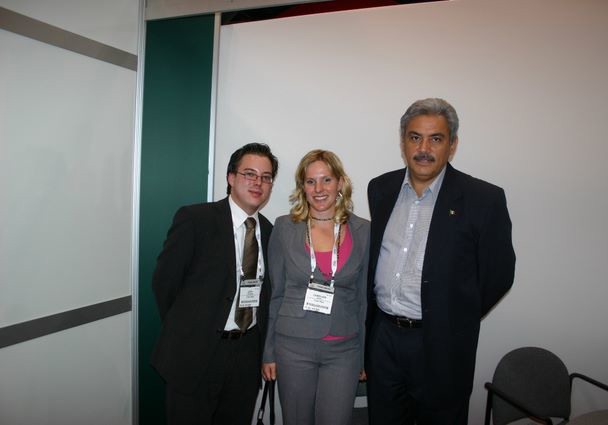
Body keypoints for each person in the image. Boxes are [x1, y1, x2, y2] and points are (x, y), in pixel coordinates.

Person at [366, 98, 516, 425]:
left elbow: (499, 275)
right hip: (384, 339)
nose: (424, 148)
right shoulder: (381, 188)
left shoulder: (483, 199)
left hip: (441, 345)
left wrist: (453, 315)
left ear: (452, 145)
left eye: (436, 138)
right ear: (403, 142)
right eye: (415, 137)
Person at [151, 142, 279, 425]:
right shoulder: (195, 219)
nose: (258, 182)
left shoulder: (271, 232)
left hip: (246, 356)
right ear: (231, 177)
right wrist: (188, 331)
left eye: (266, 177)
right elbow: (164, 283)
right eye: (249, 174)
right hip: (194, 355)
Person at [262, 149, 370, 425]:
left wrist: (363, 356)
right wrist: (269, 351)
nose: (319, 189)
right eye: (311, 181)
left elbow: (363, 299)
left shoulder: (364, 230)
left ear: (340, 182)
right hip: (293, 347)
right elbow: (276, 293)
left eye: (326, 180)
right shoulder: (284, 227)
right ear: (303, 187)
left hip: (344, 350)